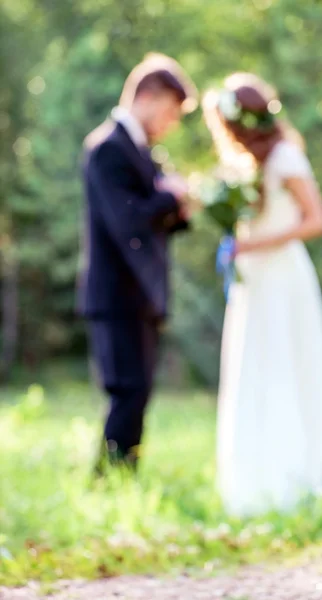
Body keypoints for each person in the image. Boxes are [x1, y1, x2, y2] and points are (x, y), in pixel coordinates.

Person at [203, 73, 322, 516]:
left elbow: (316, 220)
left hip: (284, 277)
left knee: (292, 367)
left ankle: (306, 480)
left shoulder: (286, 158)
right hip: (253, 281)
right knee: (255, 369)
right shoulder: (242, 167)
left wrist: (253, 243)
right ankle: (257, 484)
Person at [78, 53, 198, 473]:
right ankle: (108, 480)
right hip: (116, 294)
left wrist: (176, 210)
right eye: (170, 113)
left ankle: (122, 476)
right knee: (126, 390)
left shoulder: (142, 152)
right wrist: (171, 196)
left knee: (139, 392)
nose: (170, 124)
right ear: (148, 97)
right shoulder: (107, 148)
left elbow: (150, 222)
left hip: (140, 294)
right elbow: (126, 219)